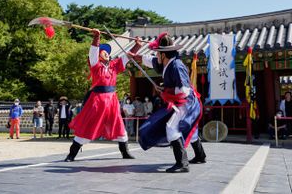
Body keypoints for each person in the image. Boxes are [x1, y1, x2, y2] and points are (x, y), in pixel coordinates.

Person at [131, 32, 206, 173]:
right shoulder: (166, 63)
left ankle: (182, 163)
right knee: (191, 128)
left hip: (187, 102)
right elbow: (151, 60)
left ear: (163, 55)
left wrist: (165, 90)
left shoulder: (176, 66)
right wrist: (135, 57)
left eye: (158, 53)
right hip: (183, 102)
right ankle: (200, 155)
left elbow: (183, 90)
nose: (156, 56)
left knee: (172, 127)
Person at [64, 29, 141, 162]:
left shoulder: (114, 66)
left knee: (118, 124)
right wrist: (96, 37)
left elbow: (128, 56)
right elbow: (92, 53)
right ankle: (72, 154)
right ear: (99, 55)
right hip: (97, 100)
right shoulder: (95, 65)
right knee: (89, 124)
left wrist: (137, 45)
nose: (106, 53)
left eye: (107, 52)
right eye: (103, 51)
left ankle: (125, 151)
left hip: (112, 100)